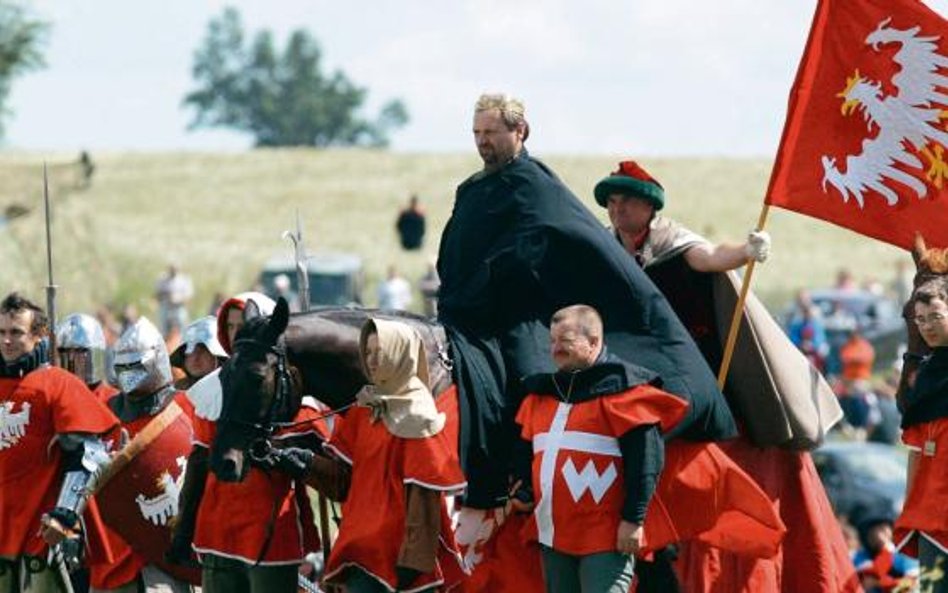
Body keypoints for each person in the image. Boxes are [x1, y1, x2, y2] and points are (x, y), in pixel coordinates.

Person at [436, 95, 736, 587]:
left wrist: (506, 276)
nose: (483, 142)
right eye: (477, 133)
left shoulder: (536, 188)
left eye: (491, 132)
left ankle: (498, 487)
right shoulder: (472, 189)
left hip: (527, 314)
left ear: (521, 132)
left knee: (532, 377)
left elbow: (563, 250)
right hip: (471, 310)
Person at [594, 160, 856, 592]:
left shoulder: (672, 243)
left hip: (694, 372)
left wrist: (746, 252)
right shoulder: (606, 250)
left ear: (648, 207)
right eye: (612, 202)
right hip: (634, 375)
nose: (617, 210)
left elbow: (712, 257)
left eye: (625, 201)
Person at [512, 305, 688, 592]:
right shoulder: (540, 397)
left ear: (594, 342)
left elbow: (646, 462)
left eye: (565, 342)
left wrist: (634, 519)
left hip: (606, 537)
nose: (555, 349)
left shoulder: (628, 396)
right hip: (553, 533)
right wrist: (524, 493)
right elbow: (530, 455)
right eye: (552, 342)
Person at [170, 292, 325, 593]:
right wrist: (184, 528)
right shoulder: (211, 392)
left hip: (270, 535)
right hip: (217, 530)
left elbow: (317, 470)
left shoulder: (290, 395)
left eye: (242, 324)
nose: (235, 332)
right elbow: (199, 465)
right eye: (229, 326)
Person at [317, 318, 466, 592]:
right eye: (368, 353)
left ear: (400, 353)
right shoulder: (363, 410)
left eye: (380, 352)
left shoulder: (418, 417)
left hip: (398, 560)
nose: (372, 361)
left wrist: (411, 565)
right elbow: (343, 484)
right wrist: (304, 464)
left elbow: (424, 501)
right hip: (359, 552)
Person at [0, 293, 119, 593]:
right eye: (1, 332)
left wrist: (64, 514)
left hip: (42, 529)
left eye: (16, 332)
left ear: (39, 336)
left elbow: (88, 455)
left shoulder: (59, 384)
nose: (7, 341)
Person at [88, 317, 197, 593]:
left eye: (137, 366)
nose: (130, 374)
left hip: (167, 558)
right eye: (123, 366)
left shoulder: (187, 408)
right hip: (112, 553)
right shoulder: (103, 412)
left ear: (157, 361)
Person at [894, 277, 948, 591]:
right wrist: (909, 508)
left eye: (936, 317)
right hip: (929, 515)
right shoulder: (924, 375)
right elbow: (916, 451)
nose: (927, 326)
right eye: (921, 319)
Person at [852, 508, 918, 593]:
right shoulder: (857, 557)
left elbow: (912, 582)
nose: (879, 536)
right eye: (873, 532)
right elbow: (867, 576)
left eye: (882, 530)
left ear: (891, 530)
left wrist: (879, 583)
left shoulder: (904, 554)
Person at [169, 316, 227, 390]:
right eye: (190, 351)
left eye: (203, 350)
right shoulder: (175, 393)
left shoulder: (231, 389)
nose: (195, 358)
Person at [154, 265, 194, 339]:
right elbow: (157, 294)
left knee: (182, 325)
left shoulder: (184, 280)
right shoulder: (162, 279)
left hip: (179, 307)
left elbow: (188, 297)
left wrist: (178, 298)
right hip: (165, 306)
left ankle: (183, 342)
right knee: (163, 327)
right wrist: (167, 295)